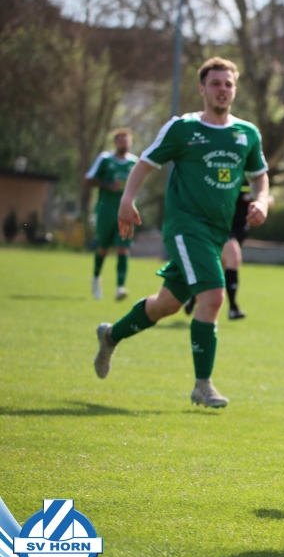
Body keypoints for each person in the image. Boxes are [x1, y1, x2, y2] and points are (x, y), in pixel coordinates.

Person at [92, 57, 271, 408]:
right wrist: (127, 199)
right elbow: (145, 163)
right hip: (185, 227)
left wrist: (262, 201)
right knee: (214, 297)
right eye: (215, 83)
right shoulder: (182, 128)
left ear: (235, 90)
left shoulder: (247, 133)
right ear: (202, 89)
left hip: (216, 234)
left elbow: (259, 176)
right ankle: (202, 386)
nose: (222, 90)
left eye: (228, 84)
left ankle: (111, 334)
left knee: (166, 305)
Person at [185, 179, 272, 319]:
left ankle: (194, 296)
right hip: (224, 226)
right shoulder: (228, 175)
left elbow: (266, 197)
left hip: (240, 229)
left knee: (221, 267)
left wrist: (263, 204)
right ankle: (233, 308)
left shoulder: (255, 179)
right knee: (234, 259)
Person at [85, 128, 138, 301]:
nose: (124, 144)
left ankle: (120, 287)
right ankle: (96, 278)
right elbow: (88, 179)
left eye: (127, 141)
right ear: (115, 143)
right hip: (106, 210)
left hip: (126, 211)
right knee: (103, 248)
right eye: (121, 141)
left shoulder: (134, 162)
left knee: (123, 248)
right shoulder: (105, 159)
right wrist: (108, 185)